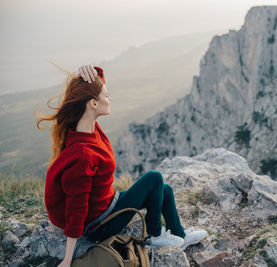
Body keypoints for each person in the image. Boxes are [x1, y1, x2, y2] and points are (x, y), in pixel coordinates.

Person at [37, 64, 207, 267]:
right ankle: (154, 236)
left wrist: (89, 71)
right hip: (100, 225)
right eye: (106, 96)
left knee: (165, 190)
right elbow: (76, 208)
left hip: (109, 203)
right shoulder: (83, 155)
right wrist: (67, 259)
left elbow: (95, 88)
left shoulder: (89, 128)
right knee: (154, 177)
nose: (109, 99)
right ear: (92, 104)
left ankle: (179, 235)